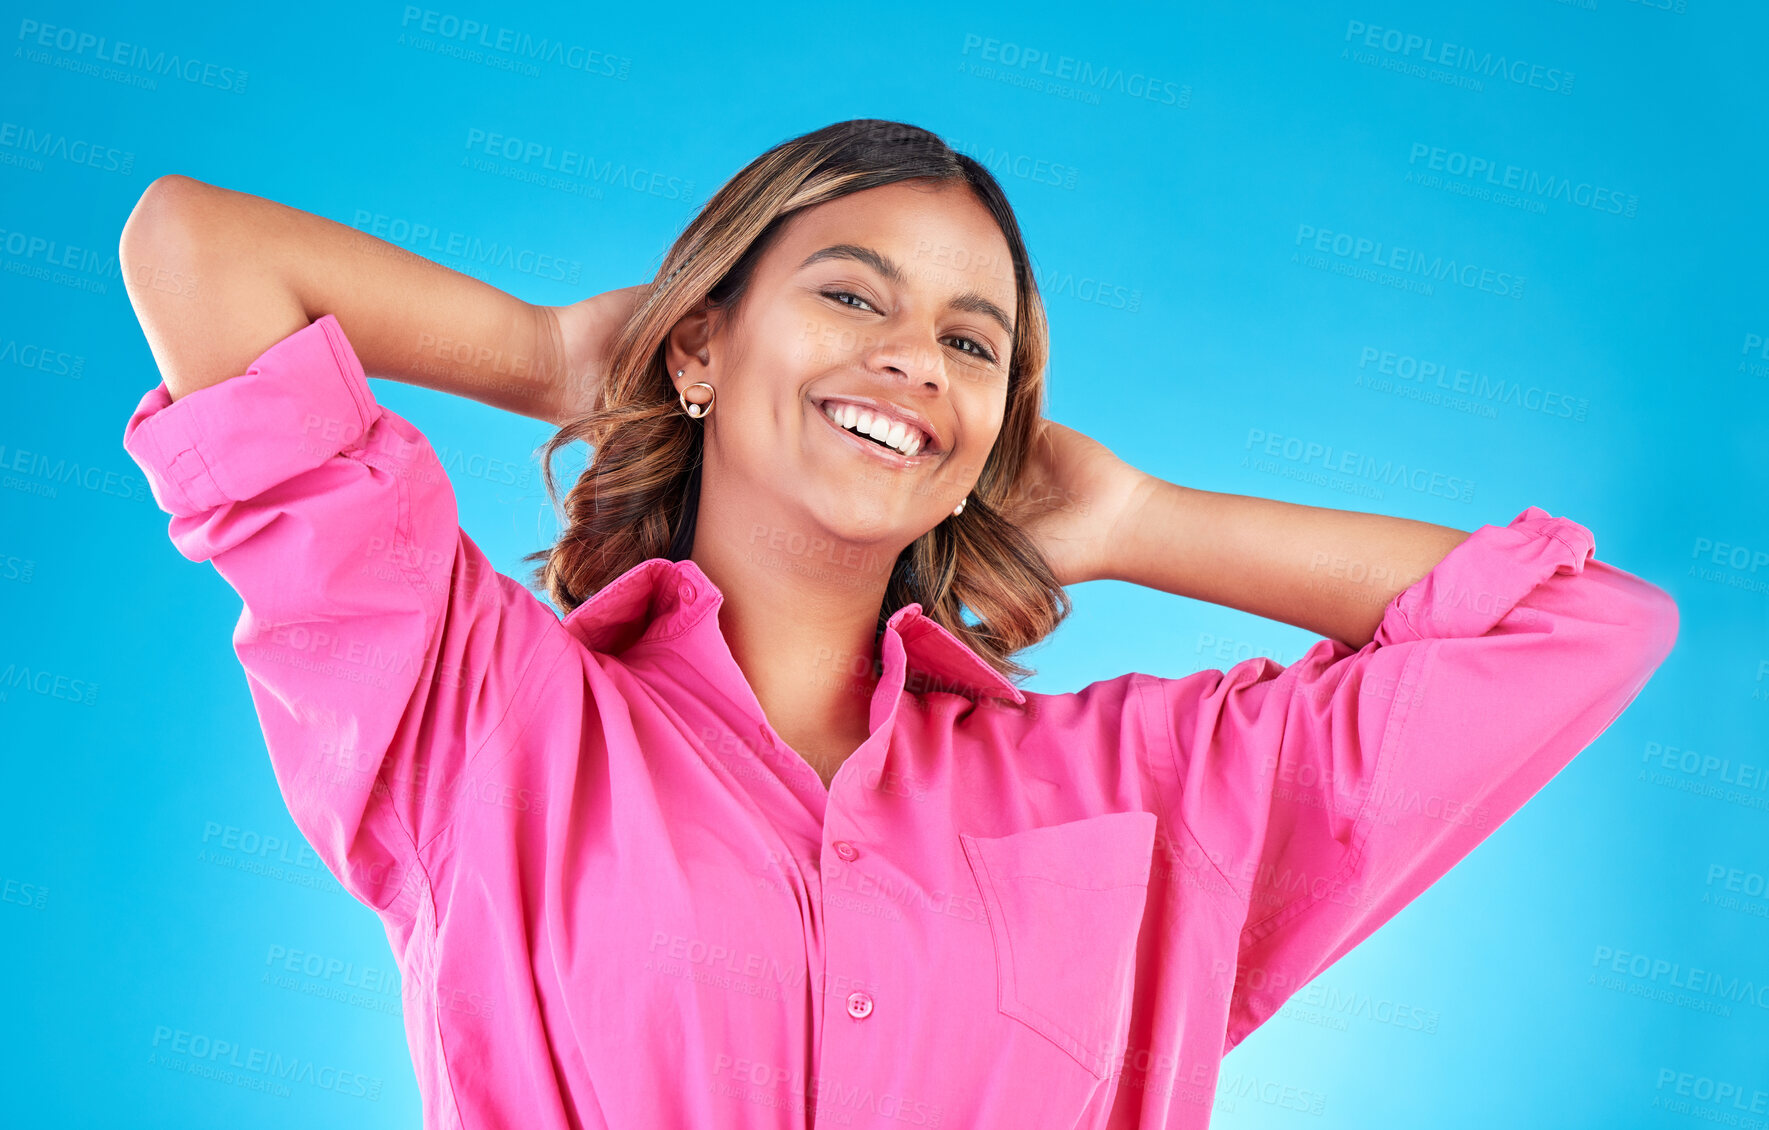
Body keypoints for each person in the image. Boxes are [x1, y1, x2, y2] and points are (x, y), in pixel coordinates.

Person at [118, 119, 1678, 1130]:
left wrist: (1142, 521)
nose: (913, 360)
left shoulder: (1131, 793)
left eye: (968, 341)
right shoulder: (482, 713)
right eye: (851, 298)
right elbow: (199, 251)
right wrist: (545, 353)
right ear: (702, 348)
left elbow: (1581, 626)